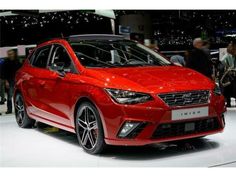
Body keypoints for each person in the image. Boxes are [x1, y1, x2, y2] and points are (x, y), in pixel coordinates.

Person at [1, 49, 22, 114]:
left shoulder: (17, 62)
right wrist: (6, 81)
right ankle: (9, 110)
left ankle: (18, 109)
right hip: (9, 80)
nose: (10, 55)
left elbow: (20, 71)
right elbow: (3, 73)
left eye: (11, 54)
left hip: (16, 80)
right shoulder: (5, 62)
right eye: (9, 54)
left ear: (14, 54)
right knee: (9, 96)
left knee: (18, 96)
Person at [221, 42, 236, 107]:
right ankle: (228, 102)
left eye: (230, 47)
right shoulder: (227, 56)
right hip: (230, 75)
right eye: (228, 47)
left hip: (233, 74)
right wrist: (228, 68)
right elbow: (222, 61)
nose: (228, 48)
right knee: (228, 88)